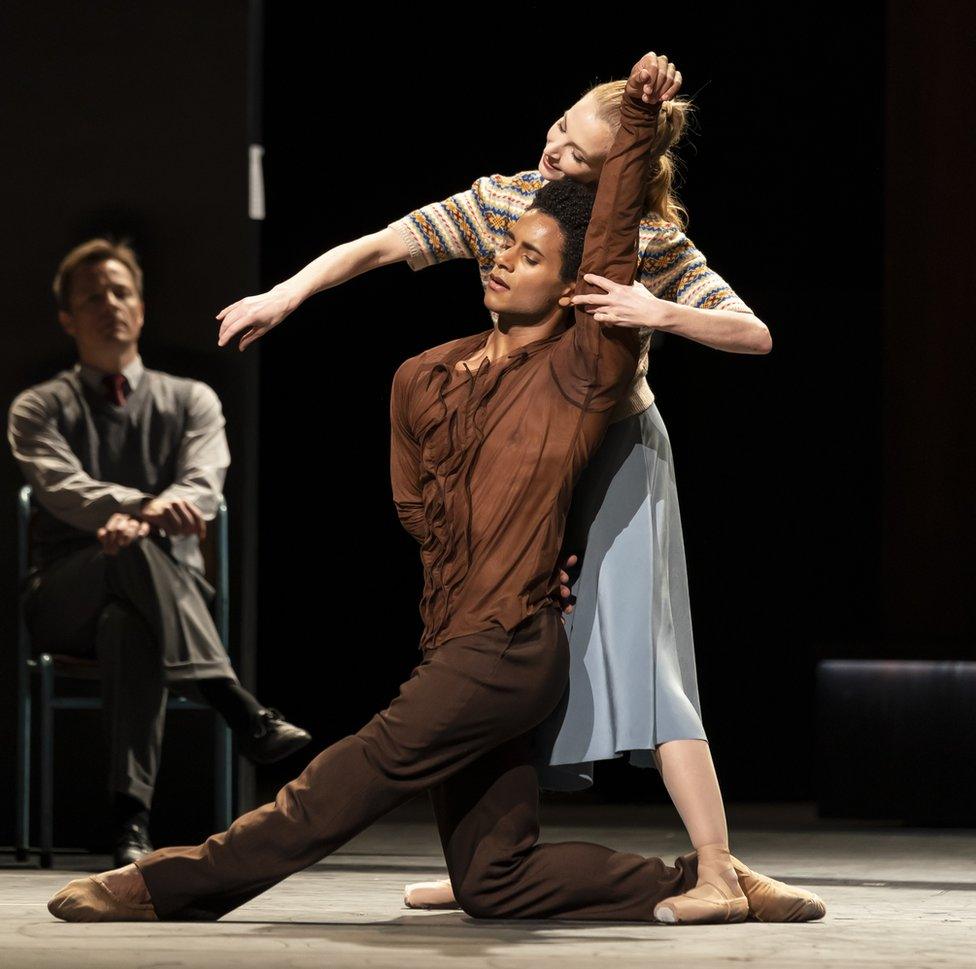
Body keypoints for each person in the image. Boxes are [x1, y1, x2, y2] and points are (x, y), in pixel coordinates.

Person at [210, 53, 792, 918]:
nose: (553, 155)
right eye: (558, 132)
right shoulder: (505, 200)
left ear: (616, 170)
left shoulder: (649, 241)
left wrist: (654, 312)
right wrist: (285, 293)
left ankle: (717, 865)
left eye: (578, 156)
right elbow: (382, 243)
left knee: (638, 651)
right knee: (513, 645)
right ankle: (485, 854)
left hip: (619, 452)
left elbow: (754, 334)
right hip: (529, 450)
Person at [8, 238, 311, 868]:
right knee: (119, 559)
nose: (109, 305)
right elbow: (60, 487)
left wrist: (136, 522)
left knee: (131, 618)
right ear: (67, 318)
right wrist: (144, 510)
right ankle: (235, 702)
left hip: (163, 597)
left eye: (120, 292)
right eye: (91, 296)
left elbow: (205, 484)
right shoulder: (39, 406)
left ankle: (130, 824)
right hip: (67, 593)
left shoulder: (191, 399)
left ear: (141, 307)